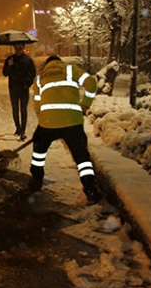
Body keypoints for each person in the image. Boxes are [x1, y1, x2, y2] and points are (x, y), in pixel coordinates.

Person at [29, 55, 102, 205]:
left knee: (38, 152)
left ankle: (36, 180)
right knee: (82, 159)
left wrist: (43, 118)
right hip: (72, 122)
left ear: (46, 66)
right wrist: (85, 104)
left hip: (47, 123)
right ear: (59, 62)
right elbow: (91, 83)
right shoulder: (70, 69)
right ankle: (91, 191)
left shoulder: (39, 78)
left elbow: (37, 104)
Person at [2, 42, 37, 141]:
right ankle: (18, 127)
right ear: (14, 47)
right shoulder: (10, 59)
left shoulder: (28, 60)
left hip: (24, 88)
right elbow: (5, 73)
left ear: (23, 48)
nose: (18, 48)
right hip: (13, 88)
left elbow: (32, 73)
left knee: (23, 109)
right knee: (15, 109)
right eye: (16, 47)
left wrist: (27, 83)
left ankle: (23, 131)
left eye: (20, 47)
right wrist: (9, 66)